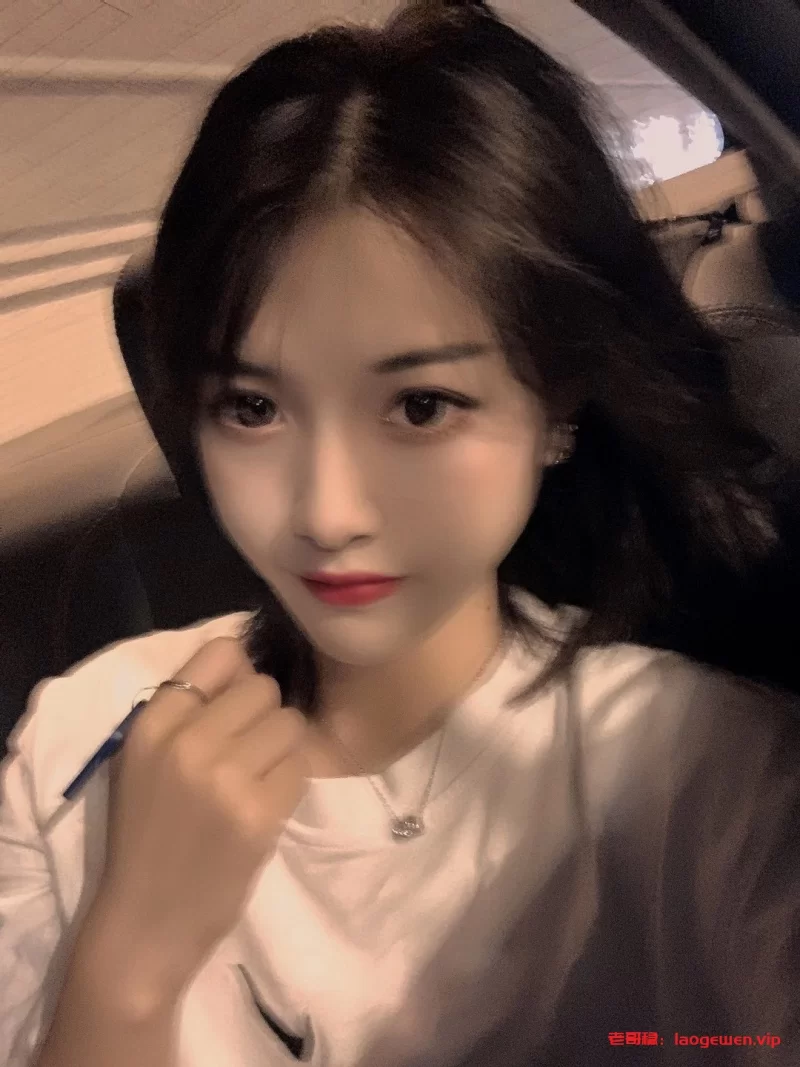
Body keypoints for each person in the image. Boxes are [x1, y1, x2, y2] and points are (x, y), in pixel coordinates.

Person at [1, 1, 798, 1065]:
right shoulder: (76, 739)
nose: (328, 513)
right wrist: (127, 967)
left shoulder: (707, 777)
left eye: (420, 406)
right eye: (253, 407)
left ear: (555, 403)